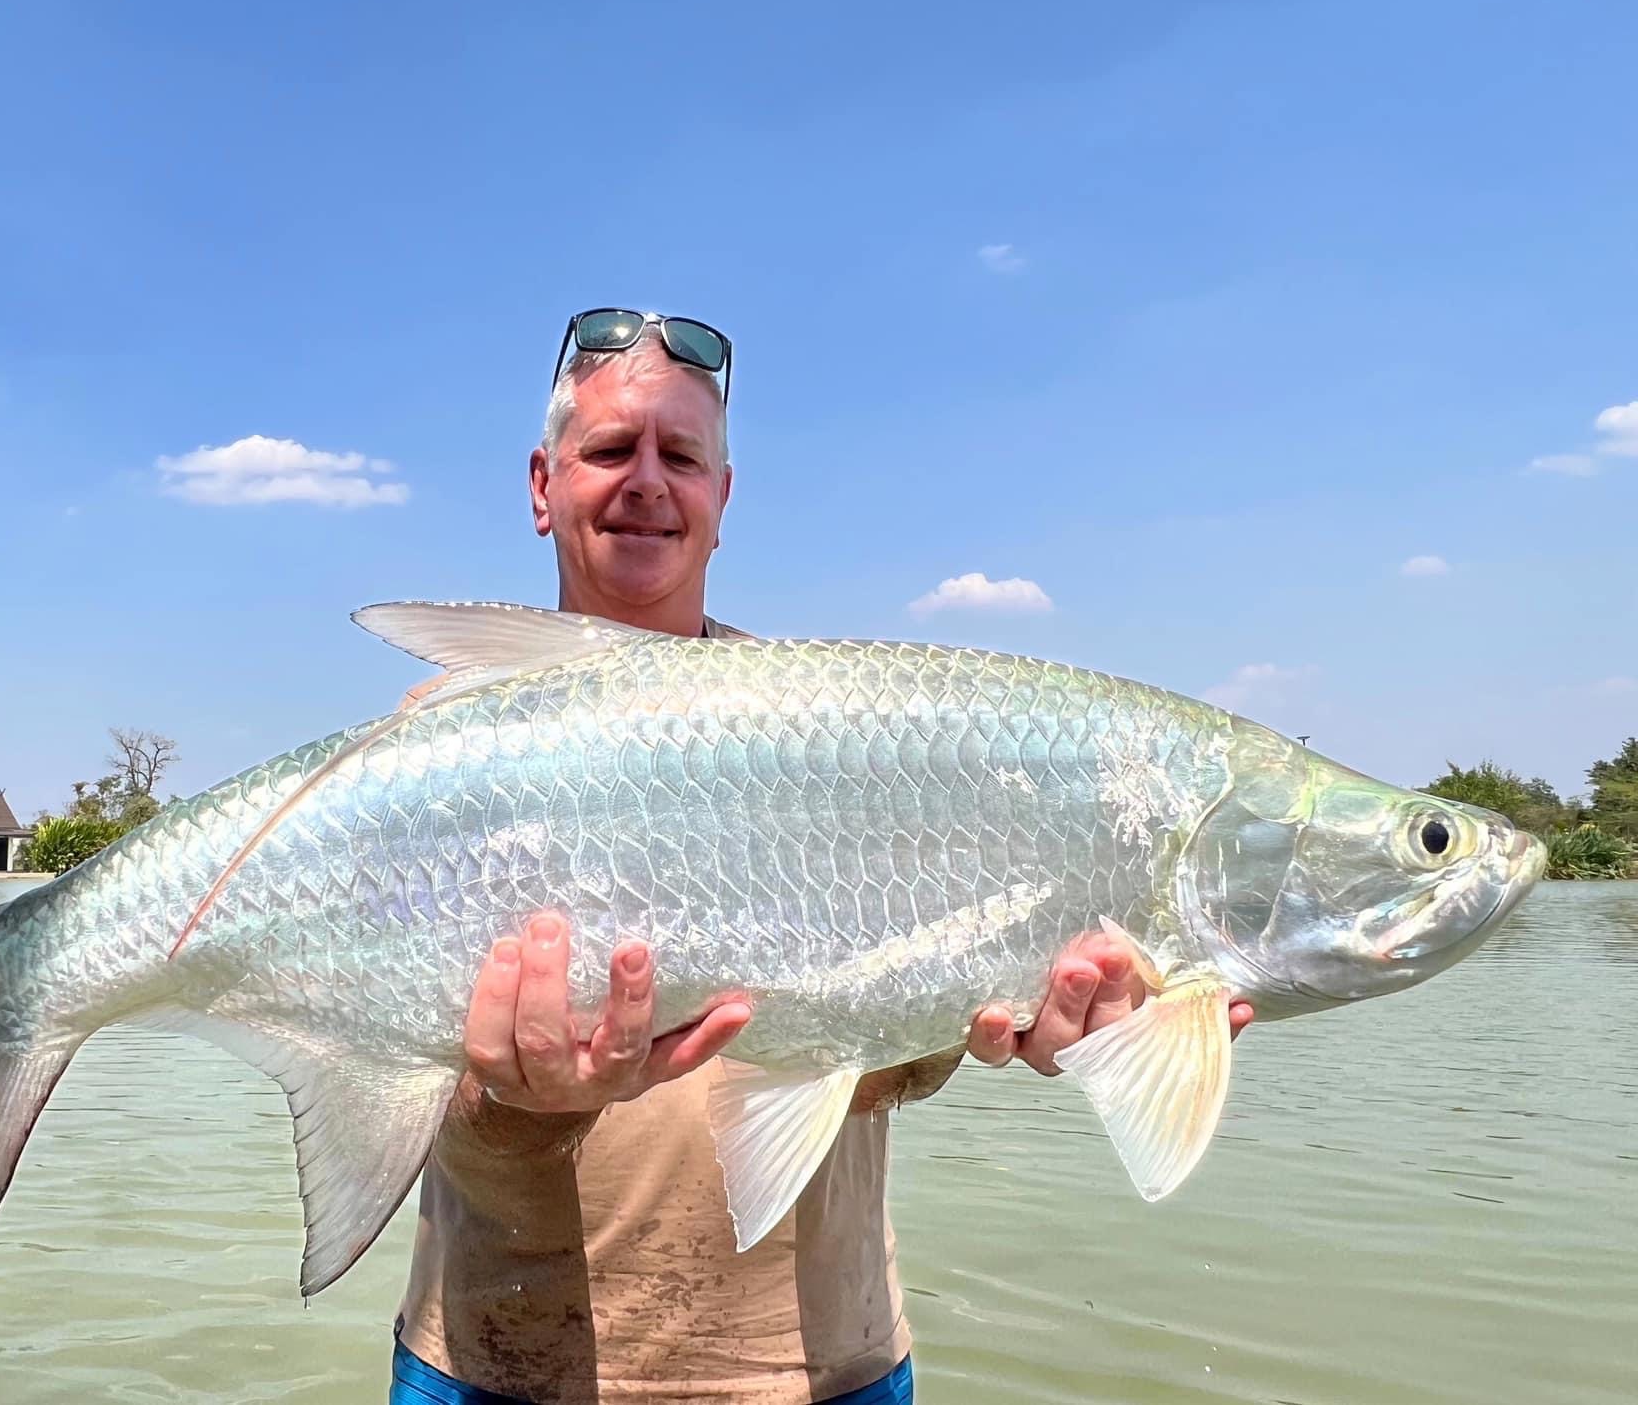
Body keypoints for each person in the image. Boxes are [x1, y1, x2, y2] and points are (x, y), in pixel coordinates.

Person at [389, 309, 1251, 1404]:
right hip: (497, 1368)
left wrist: (1001, 1016)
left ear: (722, 499)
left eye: (682, 456)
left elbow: (887, 1040)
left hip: (817, 1371)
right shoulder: (433, 743)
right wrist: (516, 1099)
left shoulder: (846, 725)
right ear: (540, 483)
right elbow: (423, 1090)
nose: (646, 481)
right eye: (610, 450)